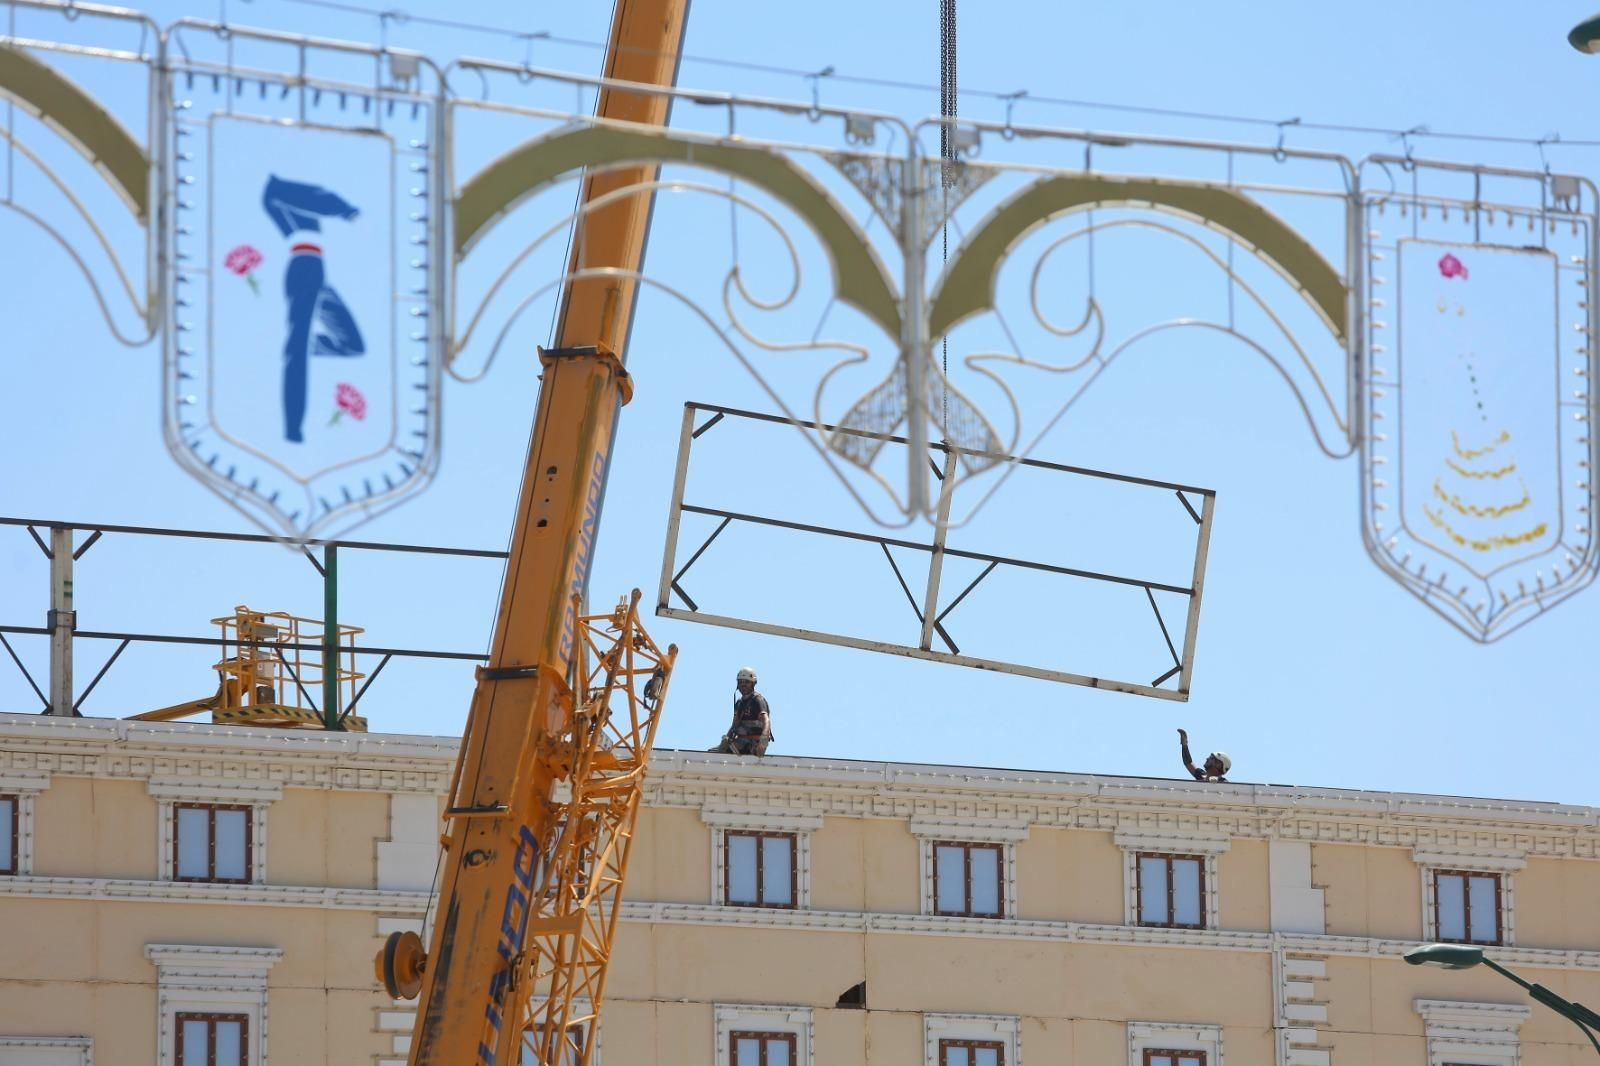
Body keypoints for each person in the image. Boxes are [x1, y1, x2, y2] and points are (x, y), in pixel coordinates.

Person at [261, 175, 367, 443]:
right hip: (304, 267)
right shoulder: (277, 192)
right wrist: (345, 210)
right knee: (298, 348)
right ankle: (293, 427)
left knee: (353, 345)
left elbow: (316, 197)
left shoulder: (288, 194)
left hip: (317, 271)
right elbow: (316, 198)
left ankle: (299, 345)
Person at [716, 666, 772, 756]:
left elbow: (766, 721)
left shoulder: (757, 700)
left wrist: (763, 742)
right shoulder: (739, 703)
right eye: (740, 682)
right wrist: (726, 740)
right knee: (714, 753)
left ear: (753, 683)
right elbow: (734, 726)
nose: (743, 685)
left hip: (752, 744)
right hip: (739, 741)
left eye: (746, 682)